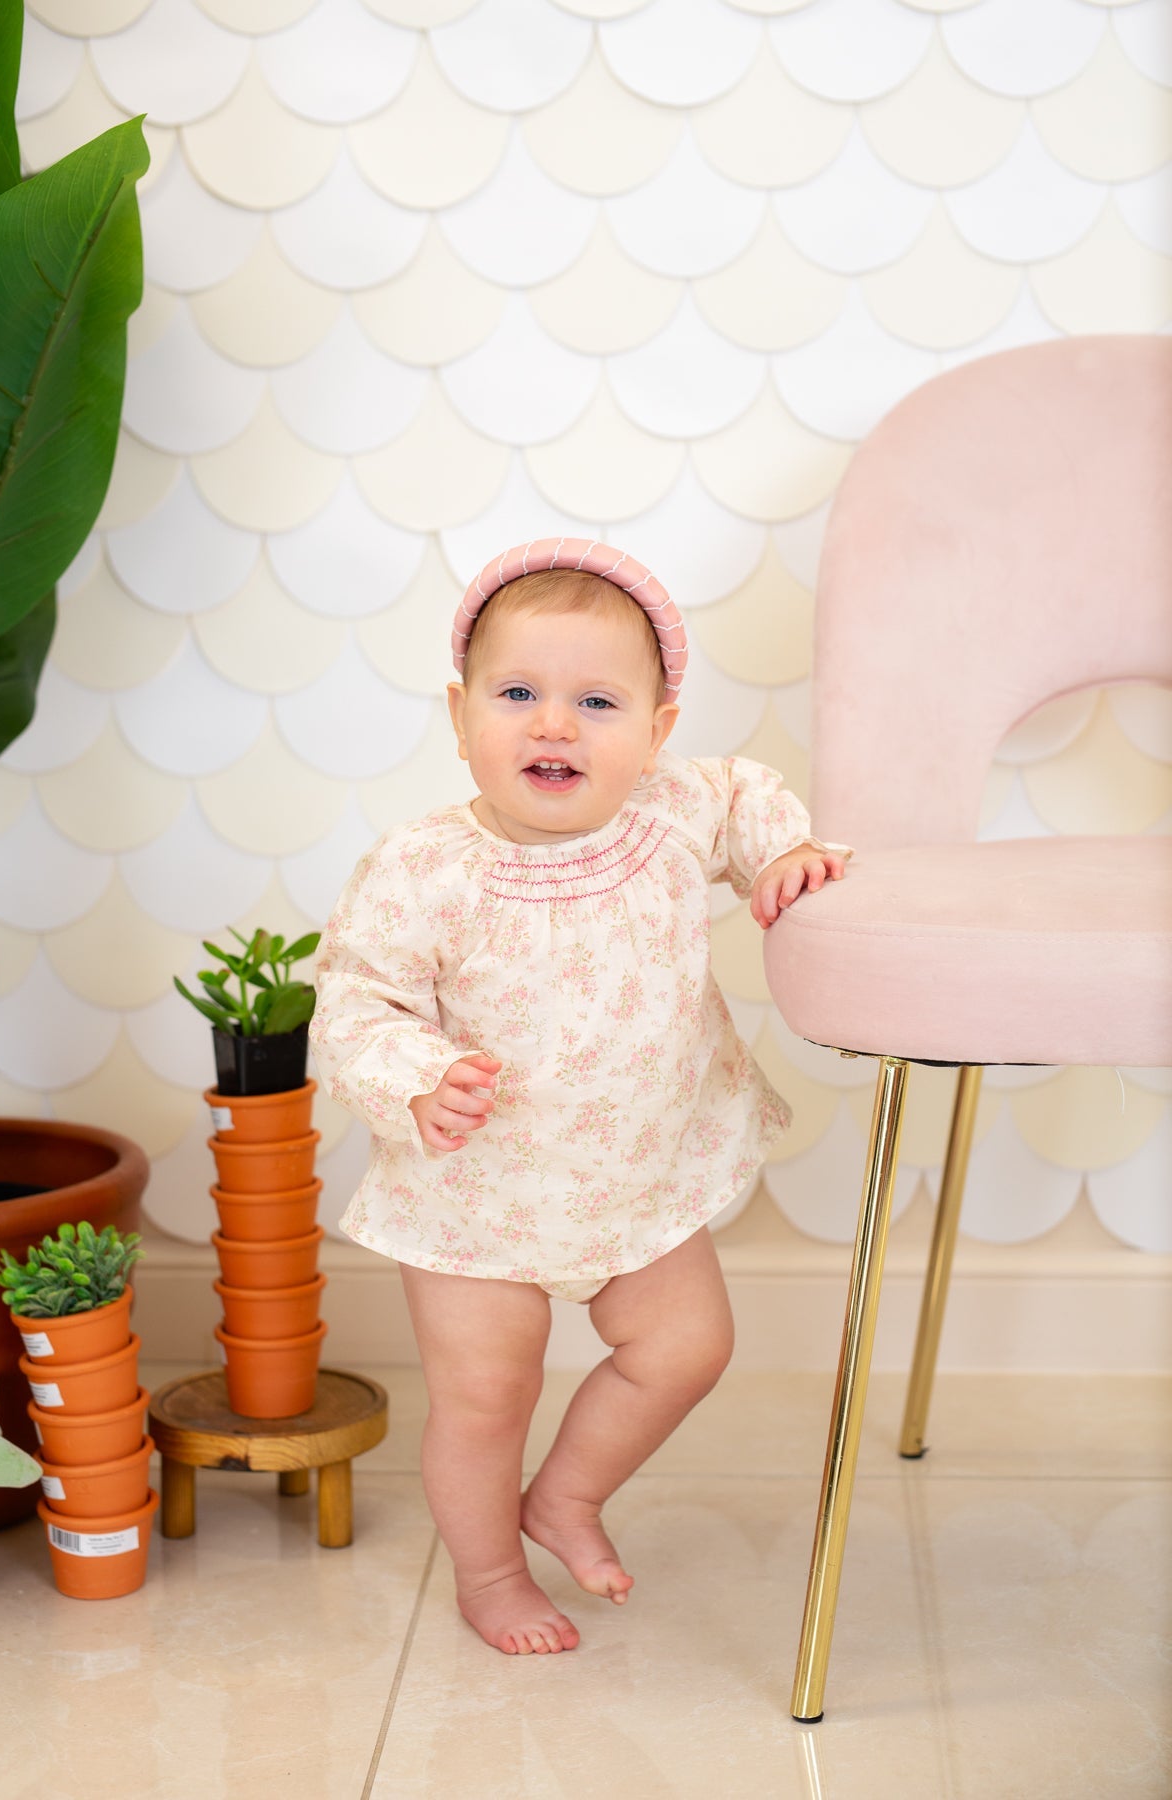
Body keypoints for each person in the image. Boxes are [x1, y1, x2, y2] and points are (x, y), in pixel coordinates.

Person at [310, 539, 851, 1657]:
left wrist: (781, 855)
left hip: (636, 1175)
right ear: (460, 715)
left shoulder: (672, 810)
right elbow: (356, 1001)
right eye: (518, 694)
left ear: (655, 731)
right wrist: (419, 1079)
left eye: (597, 702)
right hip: (476, 1193)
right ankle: (491, 1571)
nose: (554, 725)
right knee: (486, 1396)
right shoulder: (424, 869)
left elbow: (745, 795)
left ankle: (565, 1495)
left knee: (688, 1347)